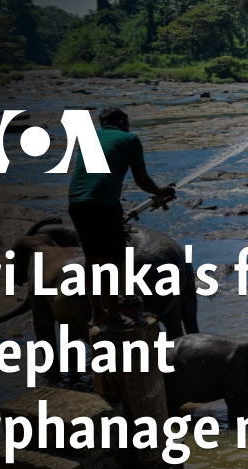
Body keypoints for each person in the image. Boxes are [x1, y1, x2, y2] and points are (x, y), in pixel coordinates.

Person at [68, 107, 175, 329]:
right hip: (104, 204)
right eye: (127, 123)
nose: (129, 127)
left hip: (77, 202)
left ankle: (97, 313)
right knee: (112, 263)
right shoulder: (130, 139)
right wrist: (160, 191)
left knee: (93, 260)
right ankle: (115, 316)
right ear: (121, 122)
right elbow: (142, 179)